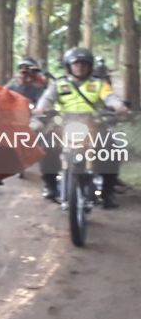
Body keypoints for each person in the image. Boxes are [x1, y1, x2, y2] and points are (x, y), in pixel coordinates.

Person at [34, 46, 127, 207]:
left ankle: (108, 192)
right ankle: (50, 186)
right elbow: (46, 99)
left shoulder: (99, 84)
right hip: (64, 124)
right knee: (46, 147)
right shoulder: (59, 84)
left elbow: (110, 97)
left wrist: (118, 107)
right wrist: (40, 109)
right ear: (69, 65)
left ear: (90, 66)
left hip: (94, 125)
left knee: (113, 149)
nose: (80, 66)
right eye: (76, 63)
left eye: (84, 63)